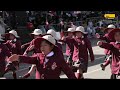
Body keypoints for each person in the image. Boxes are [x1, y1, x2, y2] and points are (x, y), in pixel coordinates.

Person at [7, 35, 77, 79]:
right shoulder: (38, 56)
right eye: (41, 46)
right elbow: (29, 59)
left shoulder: (58, 59)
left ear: (51, 46)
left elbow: (69, 73)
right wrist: (18, 57)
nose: (42, 48)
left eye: (45, 45)